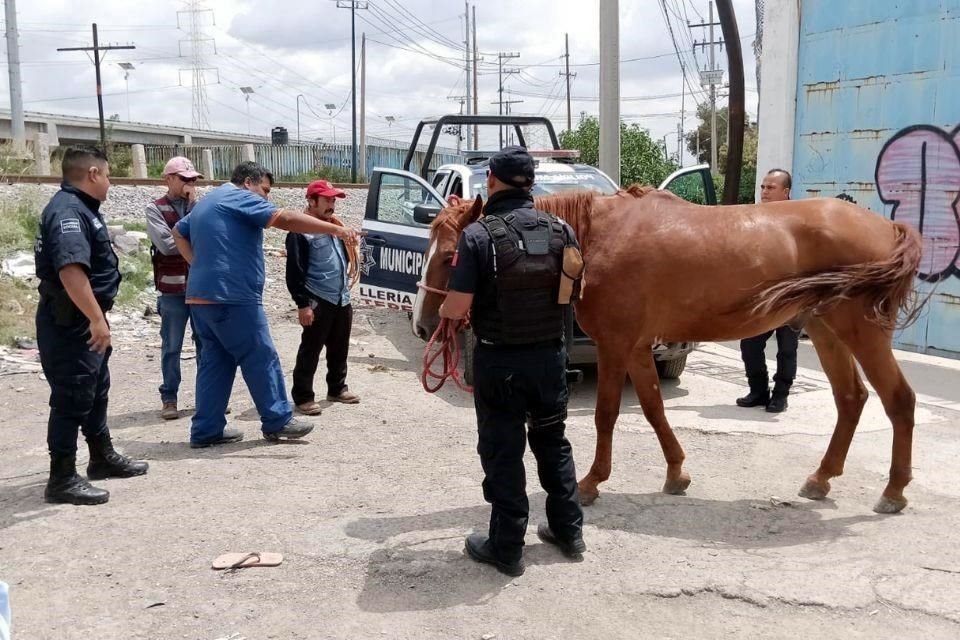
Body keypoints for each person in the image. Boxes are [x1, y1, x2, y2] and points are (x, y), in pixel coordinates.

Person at [439, 146, 585, 577]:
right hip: (550, 357)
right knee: (552, 443)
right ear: (531, 182)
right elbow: (573, 292)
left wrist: (449, 308)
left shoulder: (479, 235)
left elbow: (456, 306)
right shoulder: (562, 229)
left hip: (500, 362)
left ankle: (506, 546)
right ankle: (569, 531)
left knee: (503, 450)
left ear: (491, 180)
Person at [172, 161, 360, 448]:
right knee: (261, 355)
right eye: (265, 190)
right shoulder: (239, 197)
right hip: (233, 296)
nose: (266, 197)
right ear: (248, 182)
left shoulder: (209, 200)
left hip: (201, 298)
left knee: (215, 363)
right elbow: (285, 220)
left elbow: (178, 231)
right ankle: (277, 419)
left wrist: (197, 265)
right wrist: (335, 231)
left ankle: (206, 430)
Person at [35, 146, 148, 505]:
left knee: (95, 389)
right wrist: (96, 319)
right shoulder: (68, 212)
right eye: (110, 175)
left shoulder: (81, 209)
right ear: (94, 174)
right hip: (71, 322)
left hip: (83, 319)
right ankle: (62, 478)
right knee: (71, 396)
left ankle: (101, 456)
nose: (111, 183)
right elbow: (71, 271)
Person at [285, 180, 361, 416]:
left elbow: (343, 260)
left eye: (333, 200)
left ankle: (337, 388)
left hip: (340, 297)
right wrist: (303, 305)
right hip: (318, 298)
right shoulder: (300, 232)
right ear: (311, 201)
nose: (332, 204)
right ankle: (303, 396)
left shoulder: (334, 227)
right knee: (311, 348)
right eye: (327, 200)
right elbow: (295, 271)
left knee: (340, 346)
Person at [736, 168, 800, 413]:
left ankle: (780, 395)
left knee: (786, 348)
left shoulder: (798, 218)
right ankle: (758, 391)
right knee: (749, 344)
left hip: (790, 294)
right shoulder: (756, 217)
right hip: (762, 296)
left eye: (770, 188)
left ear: (786, 192)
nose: (764, 192)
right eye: (763, 187)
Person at [145, 156, 202, 420]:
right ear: (169, 179)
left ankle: (206, 396)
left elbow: (208, 238)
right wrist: (191, 218)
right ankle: (169, 397)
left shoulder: (200, 207)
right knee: (171, 346)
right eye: (185, 179)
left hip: (201, 288)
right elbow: (168, 245)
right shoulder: (155, 209)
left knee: (205, 344)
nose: (190, 184)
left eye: (193, 179)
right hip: (172, 290)